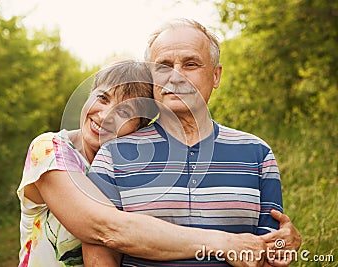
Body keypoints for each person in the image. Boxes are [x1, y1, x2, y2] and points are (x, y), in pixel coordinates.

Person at [86, 20, 301, 266]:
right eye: (164, 66)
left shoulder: (258, 154)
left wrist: (283, 245)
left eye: (191, 64)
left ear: (216, 75)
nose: (176, 76)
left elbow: (271, 254)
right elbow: (100, 252)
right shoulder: (112, 156)